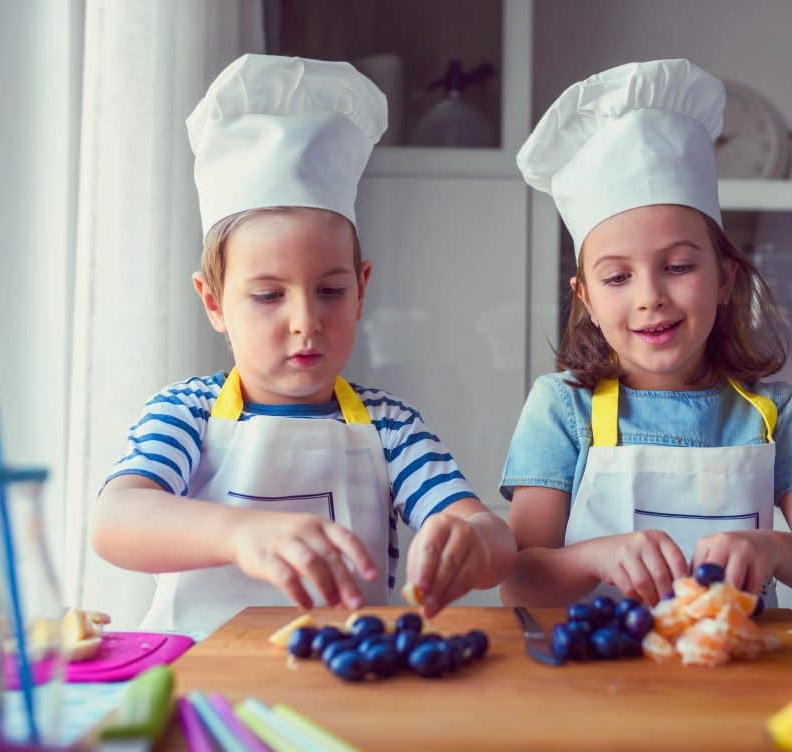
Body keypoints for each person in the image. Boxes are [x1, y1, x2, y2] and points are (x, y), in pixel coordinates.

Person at [92, 54, 515, 633]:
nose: (305, 321)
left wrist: (470, 540)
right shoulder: (184, 413)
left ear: (361, 289)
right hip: (203, 688)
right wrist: (239, 533)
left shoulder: (390, 427)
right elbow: (115, 521)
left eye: (330, 290)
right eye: (268, 296)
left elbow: (494, 539)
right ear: (214, 302)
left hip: (350, 688)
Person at [499, 59, 792, 609]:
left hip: (732, 683)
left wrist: (772, 548)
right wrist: (592, 558)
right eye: (618, 277)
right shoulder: (561, 408)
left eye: (678, 266)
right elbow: (519, 583)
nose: (650, 295)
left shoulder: (770, 413)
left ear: (724, 278)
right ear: (587, 297)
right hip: (597, 682)